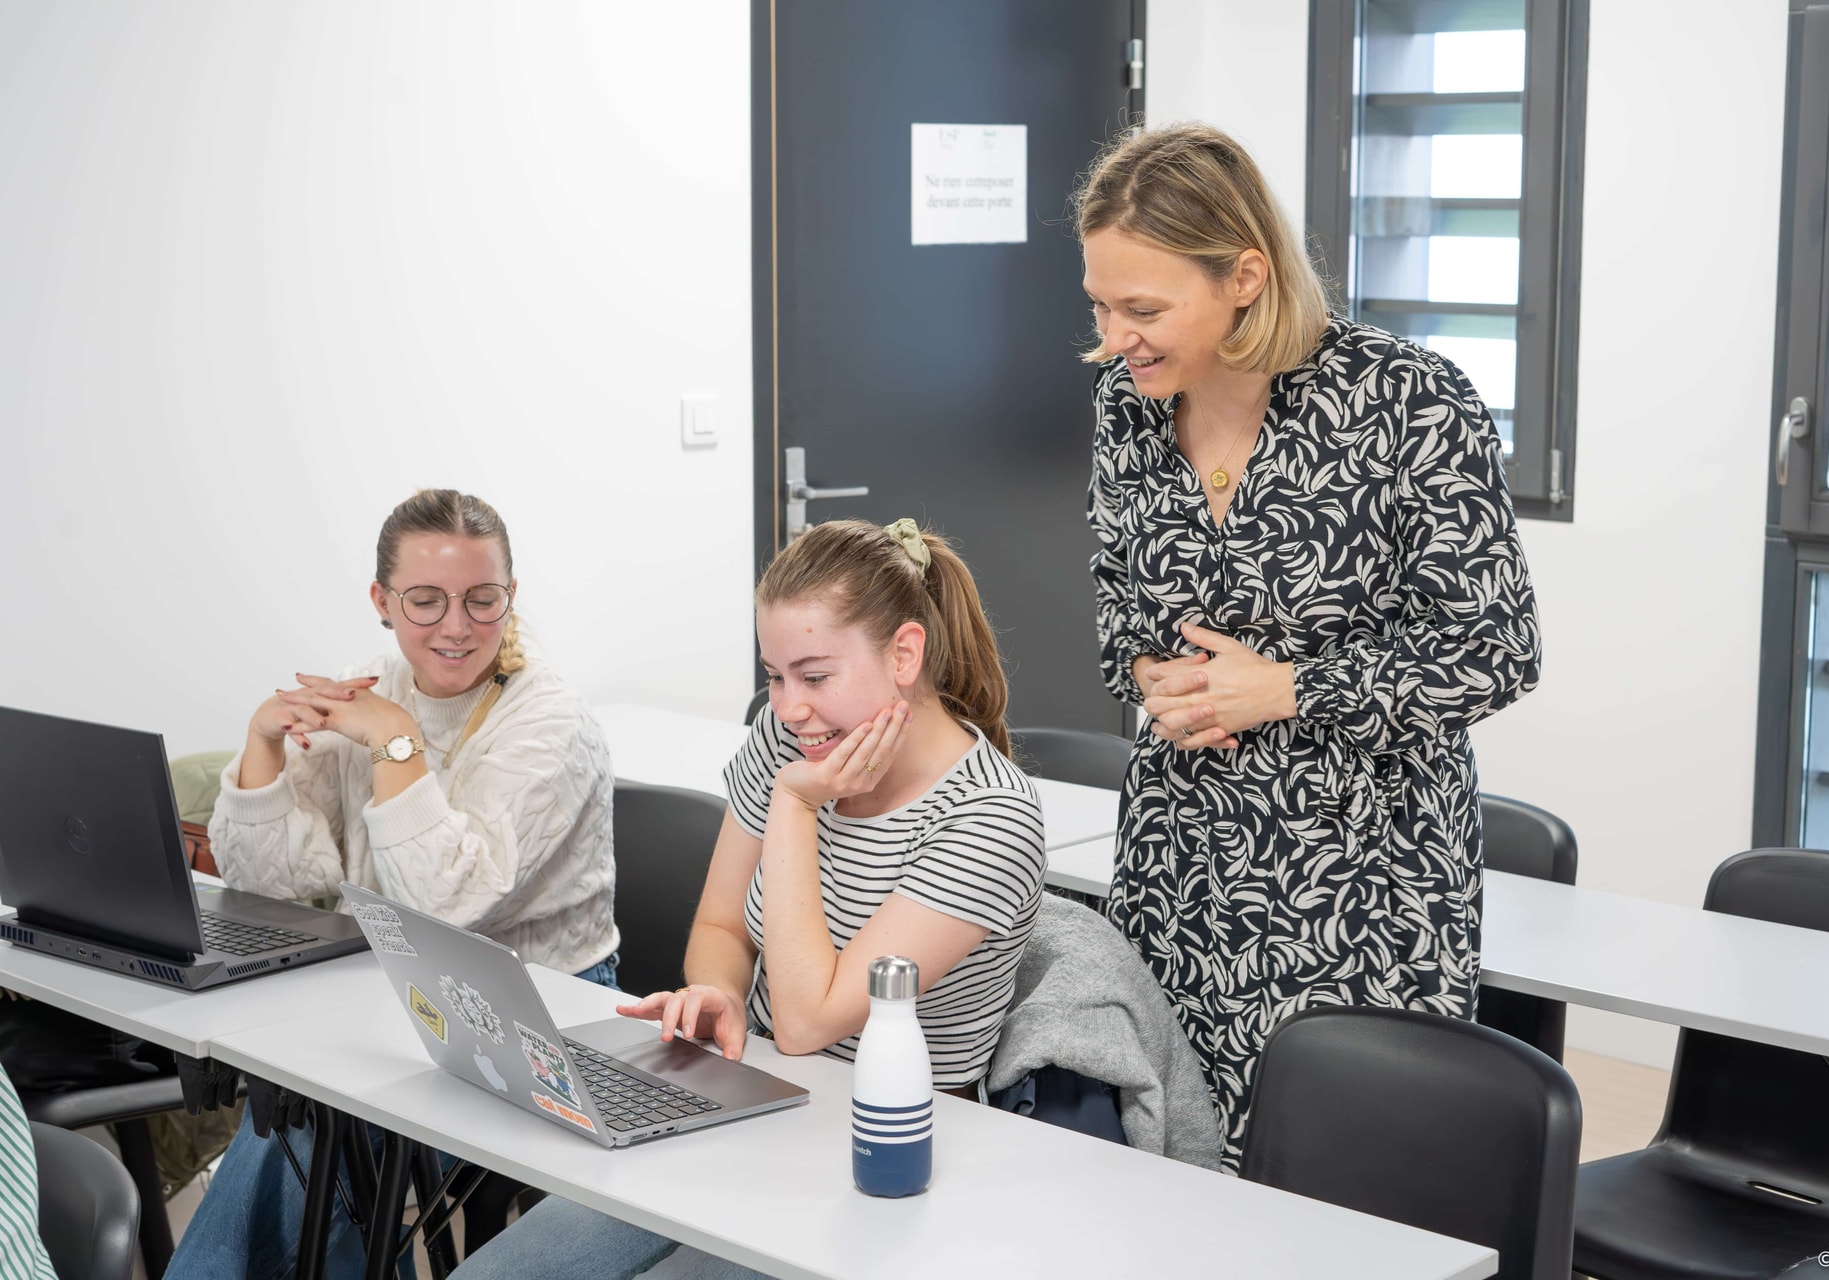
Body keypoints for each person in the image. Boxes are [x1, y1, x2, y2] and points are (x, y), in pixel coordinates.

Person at [1077, 123, 1542, 1169]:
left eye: (1143, 309)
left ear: (1244, 276)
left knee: (1340, 1183)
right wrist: (1147, 671)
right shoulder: (1126, 409)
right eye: (1100, 305)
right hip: (1181, 859)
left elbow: (1498, 647)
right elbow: (1118, 604)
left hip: (1361, 876)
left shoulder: (1408, 400)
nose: (1114, 338)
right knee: (1171, 1169)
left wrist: (1287, 688)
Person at [456, 517, 1046, 1279]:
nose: (790, 706)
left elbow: (807, 1023)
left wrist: (795, 806)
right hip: (757, 1097)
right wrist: (720, 993)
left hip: (888, 1149)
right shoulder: (792, 737)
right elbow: (720, 923)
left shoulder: (990, 816)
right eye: (775, 675)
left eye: (815, 676)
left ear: (905, 654)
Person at [165, 489, 620, 1279]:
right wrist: (263, 741)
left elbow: (447, 904)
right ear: (382, 600)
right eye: (426, 600)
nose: (457, 626)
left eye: (483, 598)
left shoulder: (552, 723)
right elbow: (275, 879)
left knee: (317, 1123)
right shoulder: (370, 687)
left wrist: (395, 741)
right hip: (394, 989)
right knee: (303, 1108)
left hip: (542, 1009)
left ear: (511, 594)